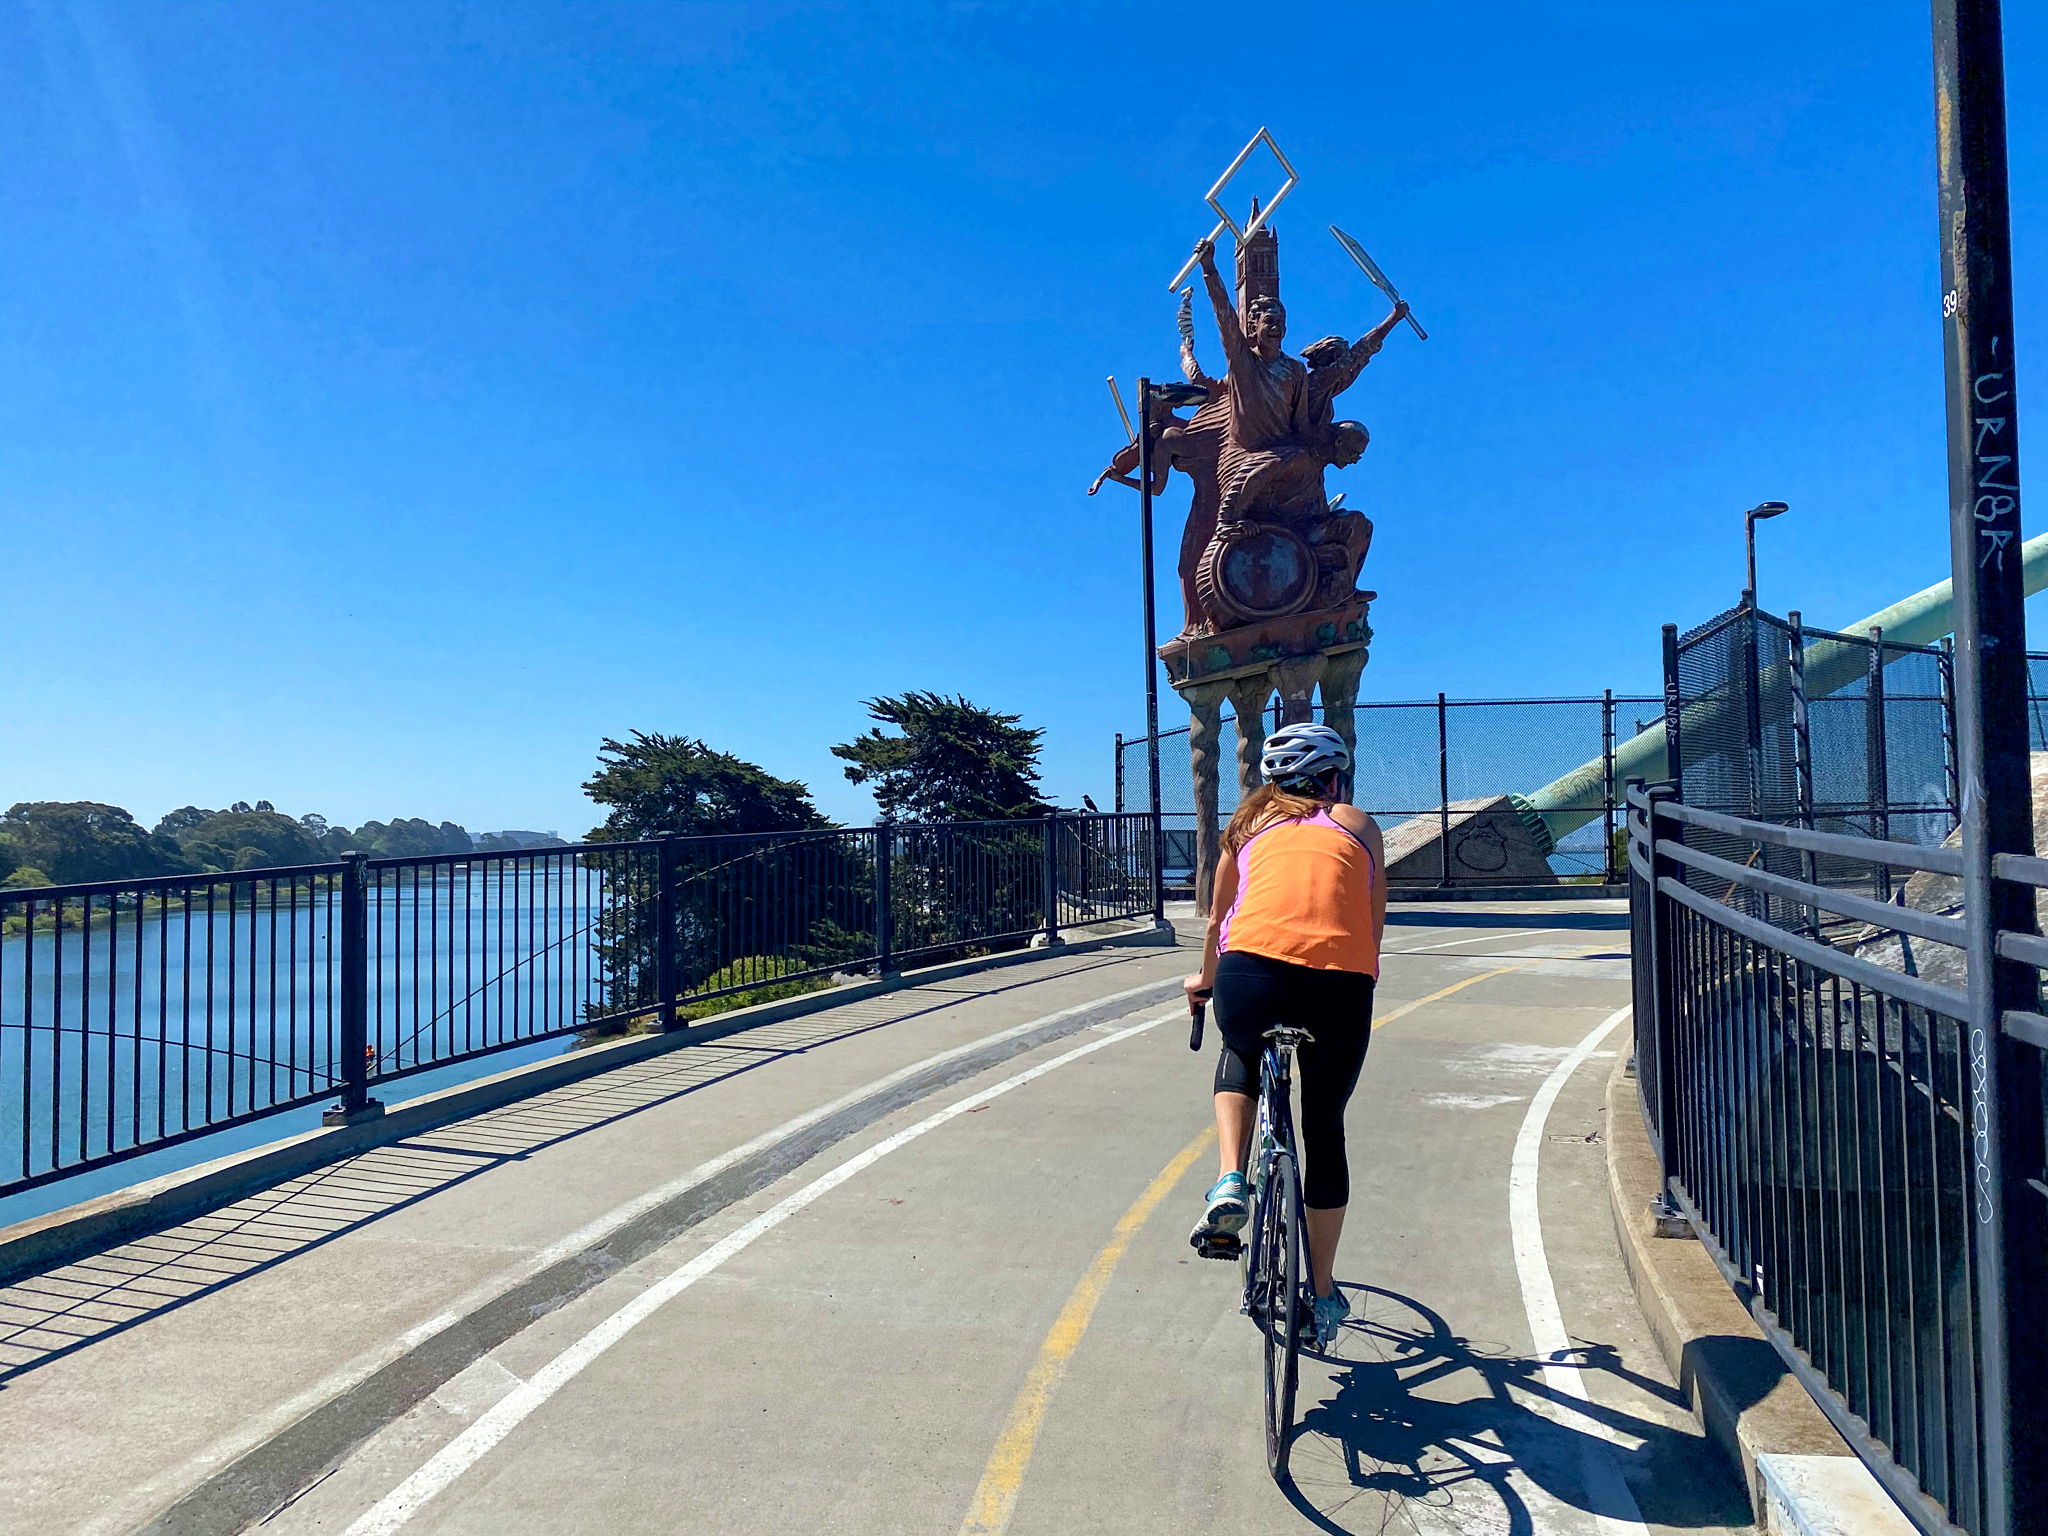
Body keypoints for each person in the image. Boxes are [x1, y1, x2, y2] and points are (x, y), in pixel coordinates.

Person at [1184, 722, 1386, 1346]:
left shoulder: (1244, 830)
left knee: (1240, 1048)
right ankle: (1321, 1294)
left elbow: (1220, 920)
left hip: (1251, 974)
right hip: (1339, 985)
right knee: (1323, 1127)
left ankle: (1229, 1179)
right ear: (1334, 778)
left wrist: (1204, 981)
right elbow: (1373, 923)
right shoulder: (1356, 825)